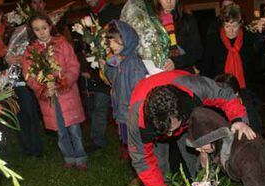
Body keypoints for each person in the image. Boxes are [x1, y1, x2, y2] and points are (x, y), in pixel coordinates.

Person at [127, 70, 256, 186]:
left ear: (180, 111)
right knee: (160, 163)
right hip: (155, 129)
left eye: (173, 129)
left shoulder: (193, 88)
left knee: (196, 158)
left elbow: (224, 93)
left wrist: (238, 119)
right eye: (167, 131)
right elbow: (142, 161)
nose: (170, 136)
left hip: (188, 121)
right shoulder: (137, 121)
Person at [22, 13, 87, 169]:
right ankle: (69, 157)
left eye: (44, 28)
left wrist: (63, 81)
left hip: (67, 94)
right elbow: (28, 75)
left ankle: (81, 157)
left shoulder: (63, 44)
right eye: (37, 29)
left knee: (74, 129)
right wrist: (43, 87)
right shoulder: (30, 51)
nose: (41, 32)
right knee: (60, 130)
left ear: (50, 26)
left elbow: (73, 66)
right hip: (49, 98)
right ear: (32, 31)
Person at [0, 4, 43, 157]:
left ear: (1, 15)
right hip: (0, 83)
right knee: (14, 115)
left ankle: (36, 148)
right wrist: (4, 60)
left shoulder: (14, 31)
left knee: (29, 111)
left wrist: (23, 58)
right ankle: (25, 148)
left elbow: (29, 50)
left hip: (21, 77)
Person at [103, 20, 147, 154]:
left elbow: (138, 90)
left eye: (115, 41)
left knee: (139, 150)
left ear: (126, 39)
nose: (112, 45)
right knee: (132, 150)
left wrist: (133, 112)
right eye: (110, 41)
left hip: (131, 114)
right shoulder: (119, 60)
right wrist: (107, 65)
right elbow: (112, 80)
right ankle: (140, 172)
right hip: (123, 113)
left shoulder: (133, 62)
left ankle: (146, 173)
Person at [82, 0, 121, 152]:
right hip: (98, 70)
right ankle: (98, 140)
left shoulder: (115, 12)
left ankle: (126, 141)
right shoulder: (92, 16)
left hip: (116, 67)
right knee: (99, 105)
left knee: (121, 107)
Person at [201, 4, 265, 92]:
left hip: (247, 90)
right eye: (227, 26)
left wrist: (261, 41)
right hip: (219, 91)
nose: (231, 31)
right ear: (222, 24)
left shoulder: (249, 38)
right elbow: (206, 69)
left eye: (234, 26)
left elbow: (260, 67)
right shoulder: (213, 41)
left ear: (240, 24)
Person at [151, 0, 202, 73]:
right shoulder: (151, 22)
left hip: (184, 74)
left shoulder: (188, 20)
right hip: (158, 73)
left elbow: (197, 52)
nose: (169, 1)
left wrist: (175, 62)